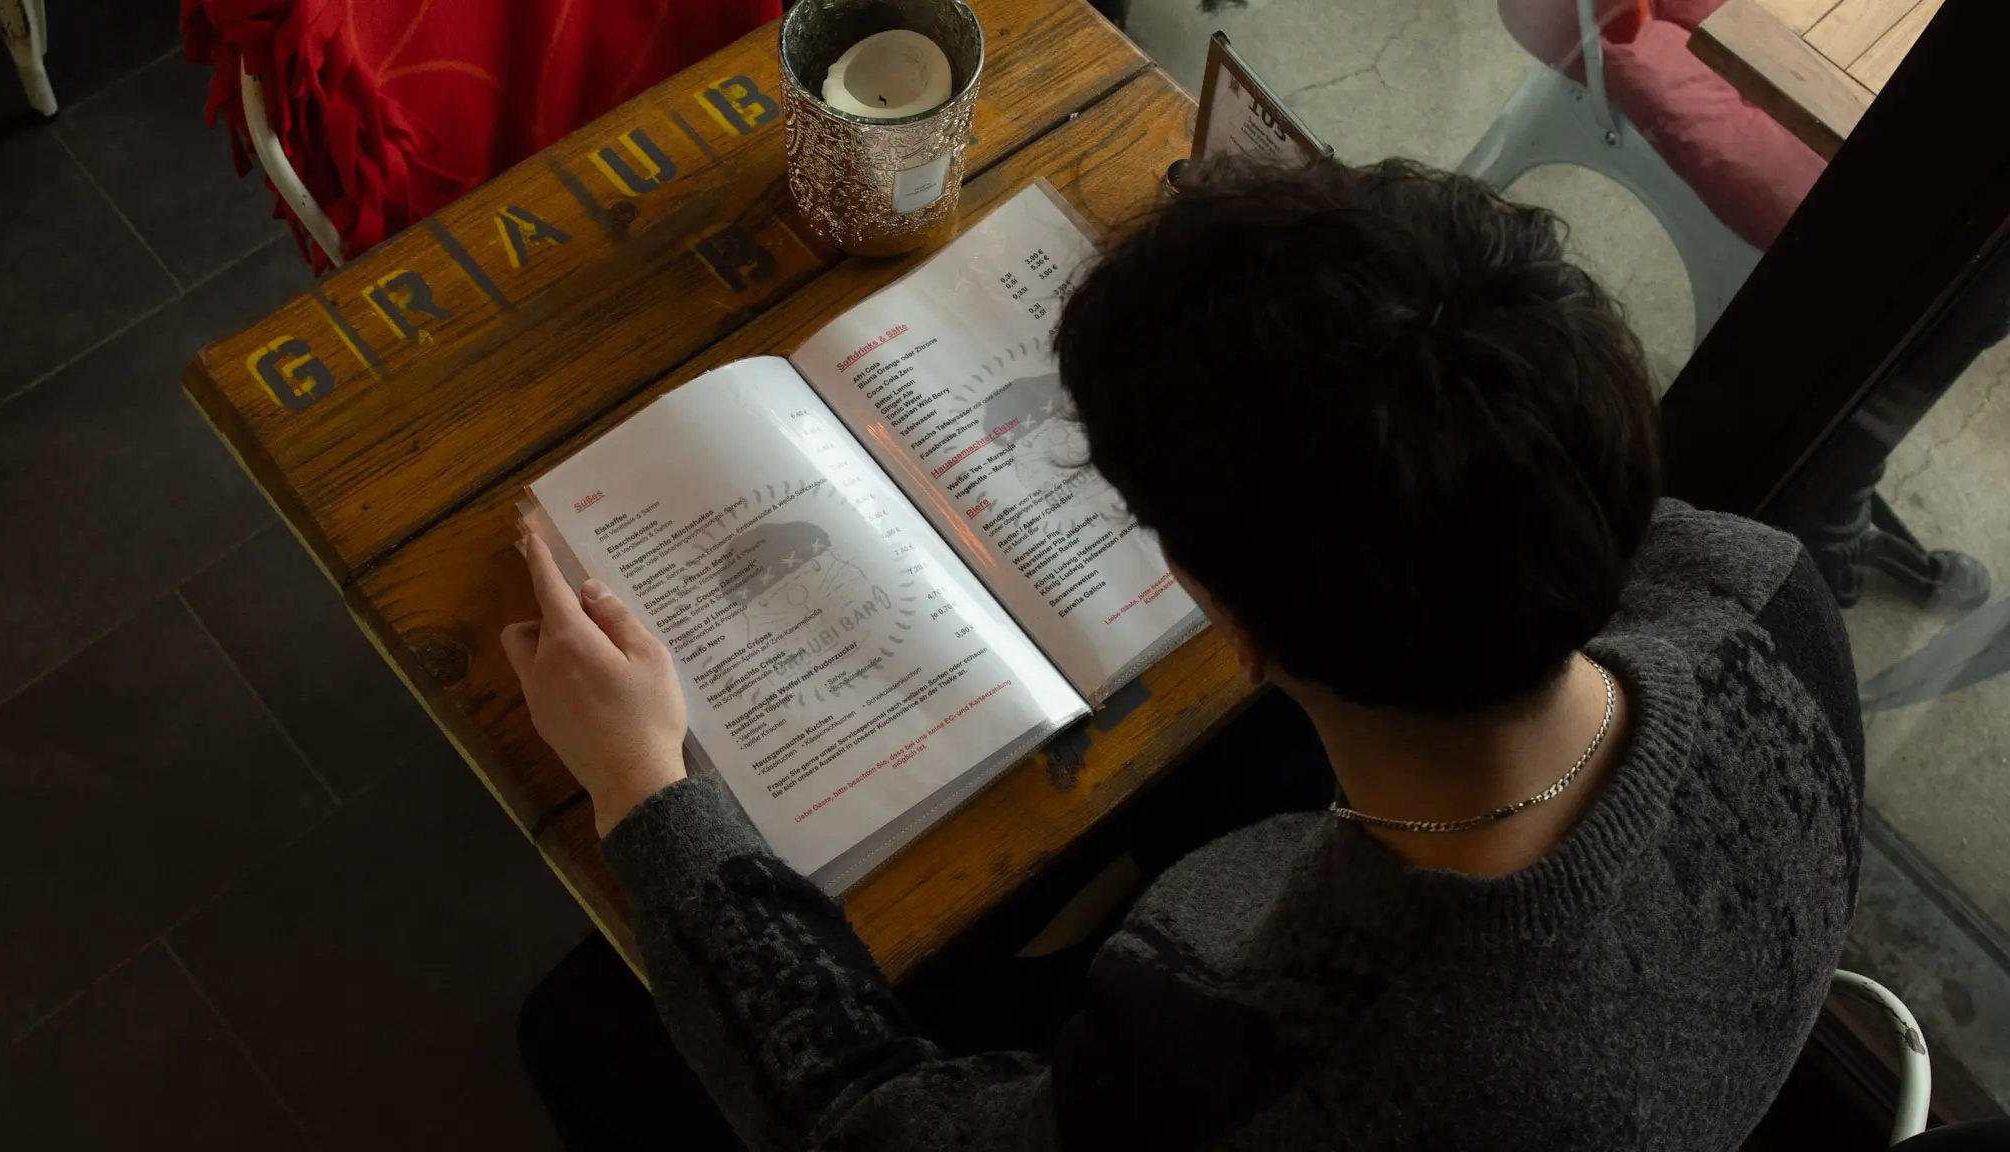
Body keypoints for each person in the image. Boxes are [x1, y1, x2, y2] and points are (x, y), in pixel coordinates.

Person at [503, 157, 1864, 1150]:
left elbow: (865, 1122)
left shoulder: (1247, 1055)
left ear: (1232, 615)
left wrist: (643, 781)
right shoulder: (1766, 592)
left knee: (586, 1034)